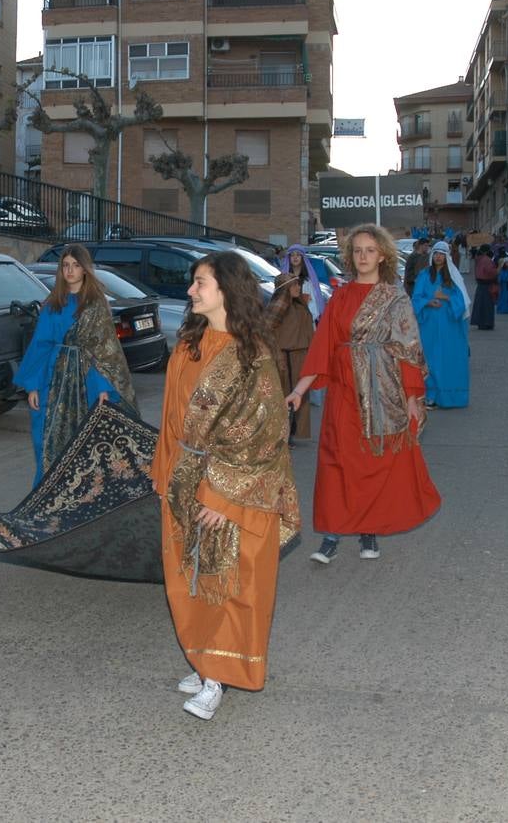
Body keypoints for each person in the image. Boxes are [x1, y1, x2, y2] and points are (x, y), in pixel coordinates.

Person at [151, 251, 300, 721]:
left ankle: (218, 676)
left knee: (226, 582)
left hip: (228, 489)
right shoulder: (186, 348)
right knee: (187, 580)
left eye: (200, 283)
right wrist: (164, 474)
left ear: (227, 291)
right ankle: (202, 661)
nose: (191, 291)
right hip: (184, 481)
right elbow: (171, 423)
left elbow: (267, 435)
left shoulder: (253, 356)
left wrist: (221, 496)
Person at [287, 224, 441, 565]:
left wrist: (414, 399)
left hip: (382, 391)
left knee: (373, 460)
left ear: (382, 254)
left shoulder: (395, 298)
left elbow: (409, 351)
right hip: (343, 390)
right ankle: (331, 534)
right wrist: (299, 389)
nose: (363, 257)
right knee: (337, 460)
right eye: (357, 251)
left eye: (370, 250)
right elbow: (323, 345)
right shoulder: (340, 295)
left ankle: (367, 530)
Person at [14, 245, 135, 485]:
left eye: (75, 265)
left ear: (85, 269)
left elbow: (104, 350)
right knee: (45, 437)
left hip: (87, 378)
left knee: (88, 437)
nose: (70, 270)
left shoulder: (95, 304)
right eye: (66, 265)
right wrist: (32, 386)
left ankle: (86, 490)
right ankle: (50, 489)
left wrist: (103, 387)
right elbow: (40, 345)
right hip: (54, 377)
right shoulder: (53, 303)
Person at [411, 242, 471, 408]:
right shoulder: (424, 275)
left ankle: (450, 397)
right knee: (430, 360)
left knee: (448, 359)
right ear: (432, 255)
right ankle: (431, 396)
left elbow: (462, 303)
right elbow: (416, 298)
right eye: (436, 253)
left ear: (447, 256)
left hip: (449, 325)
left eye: (442, 254)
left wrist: (445, 297)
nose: (438, 256)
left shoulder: (453, 277)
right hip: (429, 324)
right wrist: (428, 301)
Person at [265, 271, 315, 442]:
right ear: (285, 288)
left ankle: (292, 432)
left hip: (300, 356)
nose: (298, 287)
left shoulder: (300, 304)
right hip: (284, 358)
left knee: (298, 397)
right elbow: (266, 330)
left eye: (298, 284)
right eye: (293, 285)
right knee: (284, 396)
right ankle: (282, 433)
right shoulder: (280, 305)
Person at [470, 247, 498, 330]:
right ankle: (487, 322)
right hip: (487, 285)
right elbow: (491, 272)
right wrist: (497, 270)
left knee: (480, 305)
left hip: (480, 285)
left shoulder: (478, 259)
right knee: (487, 305)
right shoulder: (487, 260)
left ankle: (480, 322)